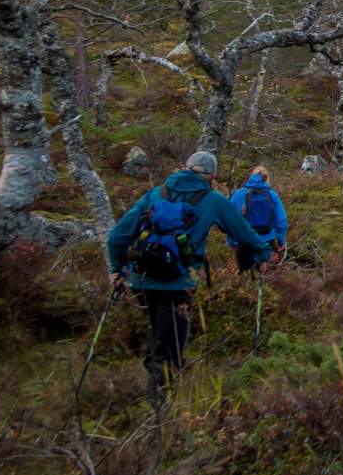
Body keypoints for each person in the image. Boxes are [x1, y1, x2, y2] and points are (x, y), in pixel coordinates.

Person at [106, 151, 277, 404]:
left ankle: (158, 395)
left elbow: (117, 237)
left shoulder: (155, 194)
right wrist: (264, 253)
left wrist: (117, 269)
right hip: (178, 283)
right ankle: (160, 412)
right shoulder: (213, 200)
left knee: (159, 336)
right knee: (169, 346)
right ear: (212, 176)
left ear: (185, 168)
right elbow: (243, 232)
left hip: (142, 281)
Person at [227, 165, 287, 272]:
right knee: (267, 280)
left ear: (251, 177)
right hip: (268, 242)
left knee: (247, 280)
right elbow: (281, 221)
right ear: (266, 179)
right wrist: (281, 241)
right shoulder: (272, 195)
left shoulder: (238, 194)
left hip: (244, 243)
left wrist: (231, 242)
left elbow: (230, 221)